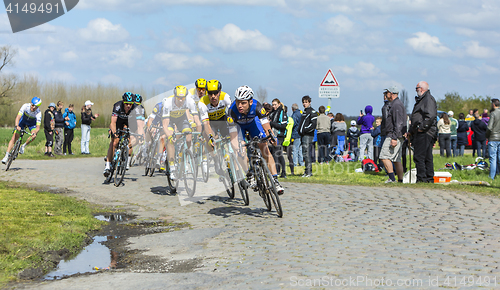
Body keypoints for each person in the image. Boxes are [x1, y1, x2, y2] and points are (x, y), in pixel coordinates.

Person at [226, 85, 284, 194]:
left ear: (250, 102)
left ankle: (275, 181)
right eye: (238, 102)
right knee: (241, 151)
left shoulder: (258, 107)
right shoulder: (232, 111)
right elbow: (233, 137)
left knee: (265, 149)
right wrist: (237, 148)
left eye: (243, 103)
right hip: (239, 128)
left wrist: (272, 137)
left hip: (253, 124)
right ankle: (249, 174)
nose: (240, 105)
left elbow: (266, 127)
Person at [162, 85, 201, 181]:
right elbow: (165, 125)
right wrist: (169, 136)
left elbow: (196, 119)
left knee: (188, 136)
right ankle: (172, 167)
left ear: (186, 97)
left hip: (182, 119)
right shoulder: (168, 103)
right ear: (174, 96)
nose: (180, 100)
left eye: (182, 98)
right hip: (170, 120)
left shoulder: (190, 101)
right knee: (170, 140)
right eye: (178, 98)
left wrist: (199, 133)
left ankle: (183, 155)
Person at [197, 79, 231, 174]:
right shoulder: (202, 102)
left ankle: (229, 157)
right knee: (208, 140)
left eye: (215, 93)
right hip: (210, 122)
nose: (213, 96)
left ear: (219, 92)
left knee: (230, 137)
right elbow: (206, 123)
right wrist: (210, 136)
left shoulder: (225, 97)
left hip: (222, 120)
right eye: (210, 93)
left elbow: (232, 114)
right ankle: (215, 160)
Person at [103, 92, 138, 176]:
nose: (128, 105)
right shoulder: (117, 106)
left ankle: (125, 157)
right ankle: (108, 165)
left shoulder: (136, 109)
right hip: (118, 121)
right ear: (123, 102)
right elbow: (112, 123)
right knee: (114, 142)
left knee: (132, 139)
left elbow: (139, 124)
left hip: (130, 122)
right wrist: (115, 133)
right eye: (126, 103)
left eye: (130, 103)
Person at [409, 81, 437, 183]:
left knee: (419, 156)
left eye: (416, 88)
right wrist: (411, 131)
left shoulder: (427, 99)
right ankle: (428, 178)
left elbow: (430, 115)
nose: (416, 91)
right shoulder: (422, 99)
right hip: (422, 131)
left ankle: (422, 178)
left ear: (421, 89)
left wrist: (422, 127)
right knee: (426, 156)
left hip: (425, 132)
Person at [2, 97, 42, 164]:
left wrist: (34, 132)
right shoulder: (25, 106)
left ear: (37, 107)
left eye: (35, 107)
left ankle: (23, 146)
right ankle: (6, 156)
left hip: (31, 124)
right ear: (31, 103)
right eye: (32, 105)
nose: (33, 108)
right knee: (15, 137)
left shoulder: (38, 113)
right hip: (22, 122)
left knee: (34, 136)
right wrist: (17, 125)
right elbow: (18, 117)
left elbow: (38, 127)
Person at [379, 85, 407, 183]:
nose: (386, 95)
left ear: (391, 93)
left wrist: (394, 137)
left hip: (393, 135)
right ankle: (400, 180)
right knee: (396, 159)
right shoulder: (397, 104)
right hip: (398, 135)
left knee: (383, 156)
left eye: (387, 93)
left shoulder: (396, 105)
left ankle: (392, 178)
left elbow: (398, 122)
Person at [298, 95, 317, 177]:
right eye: (303, 102)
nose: (304, 104)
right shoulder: (304, 112)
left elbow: (313, 125)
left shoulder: (312, 112)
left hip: (308, 135)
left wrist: (305, 129)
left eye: (306, 102)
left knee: (306, 153)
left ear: (309, 102)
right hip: (303, 135)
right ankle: (306, 171)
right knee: (304, 153)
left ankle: (309, 172)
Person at [268, 98, 288, 177]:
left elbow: (283, 125)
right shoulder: (273, 113)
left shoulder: (282, 113)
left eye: (275, 104)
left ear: (279, 104)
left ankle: (277, 172)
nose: (274, 106)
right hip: (273, 135)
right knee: (278, 154)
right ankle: (281, 172)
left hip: (279, 135)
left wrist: (272, 123)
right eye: (272, 105)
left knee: (276, 154)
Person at [487, 98, 500, 180]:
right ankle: (498, 173)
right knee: (499, 158)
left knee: (493, 158)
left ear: (493, 104)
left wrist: (487, 135)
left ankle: (491, 176)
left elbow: (489, 127)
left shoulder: (493, 114)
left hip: (493, 138)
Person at [282, 108, 295, 175]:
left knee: (279, 156)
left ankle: (281, 171)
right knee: (289, 157)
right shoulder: (290, 120)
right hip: (288, 139)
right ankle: (292, 171)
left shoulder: (282, 119)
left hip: (282, 138)